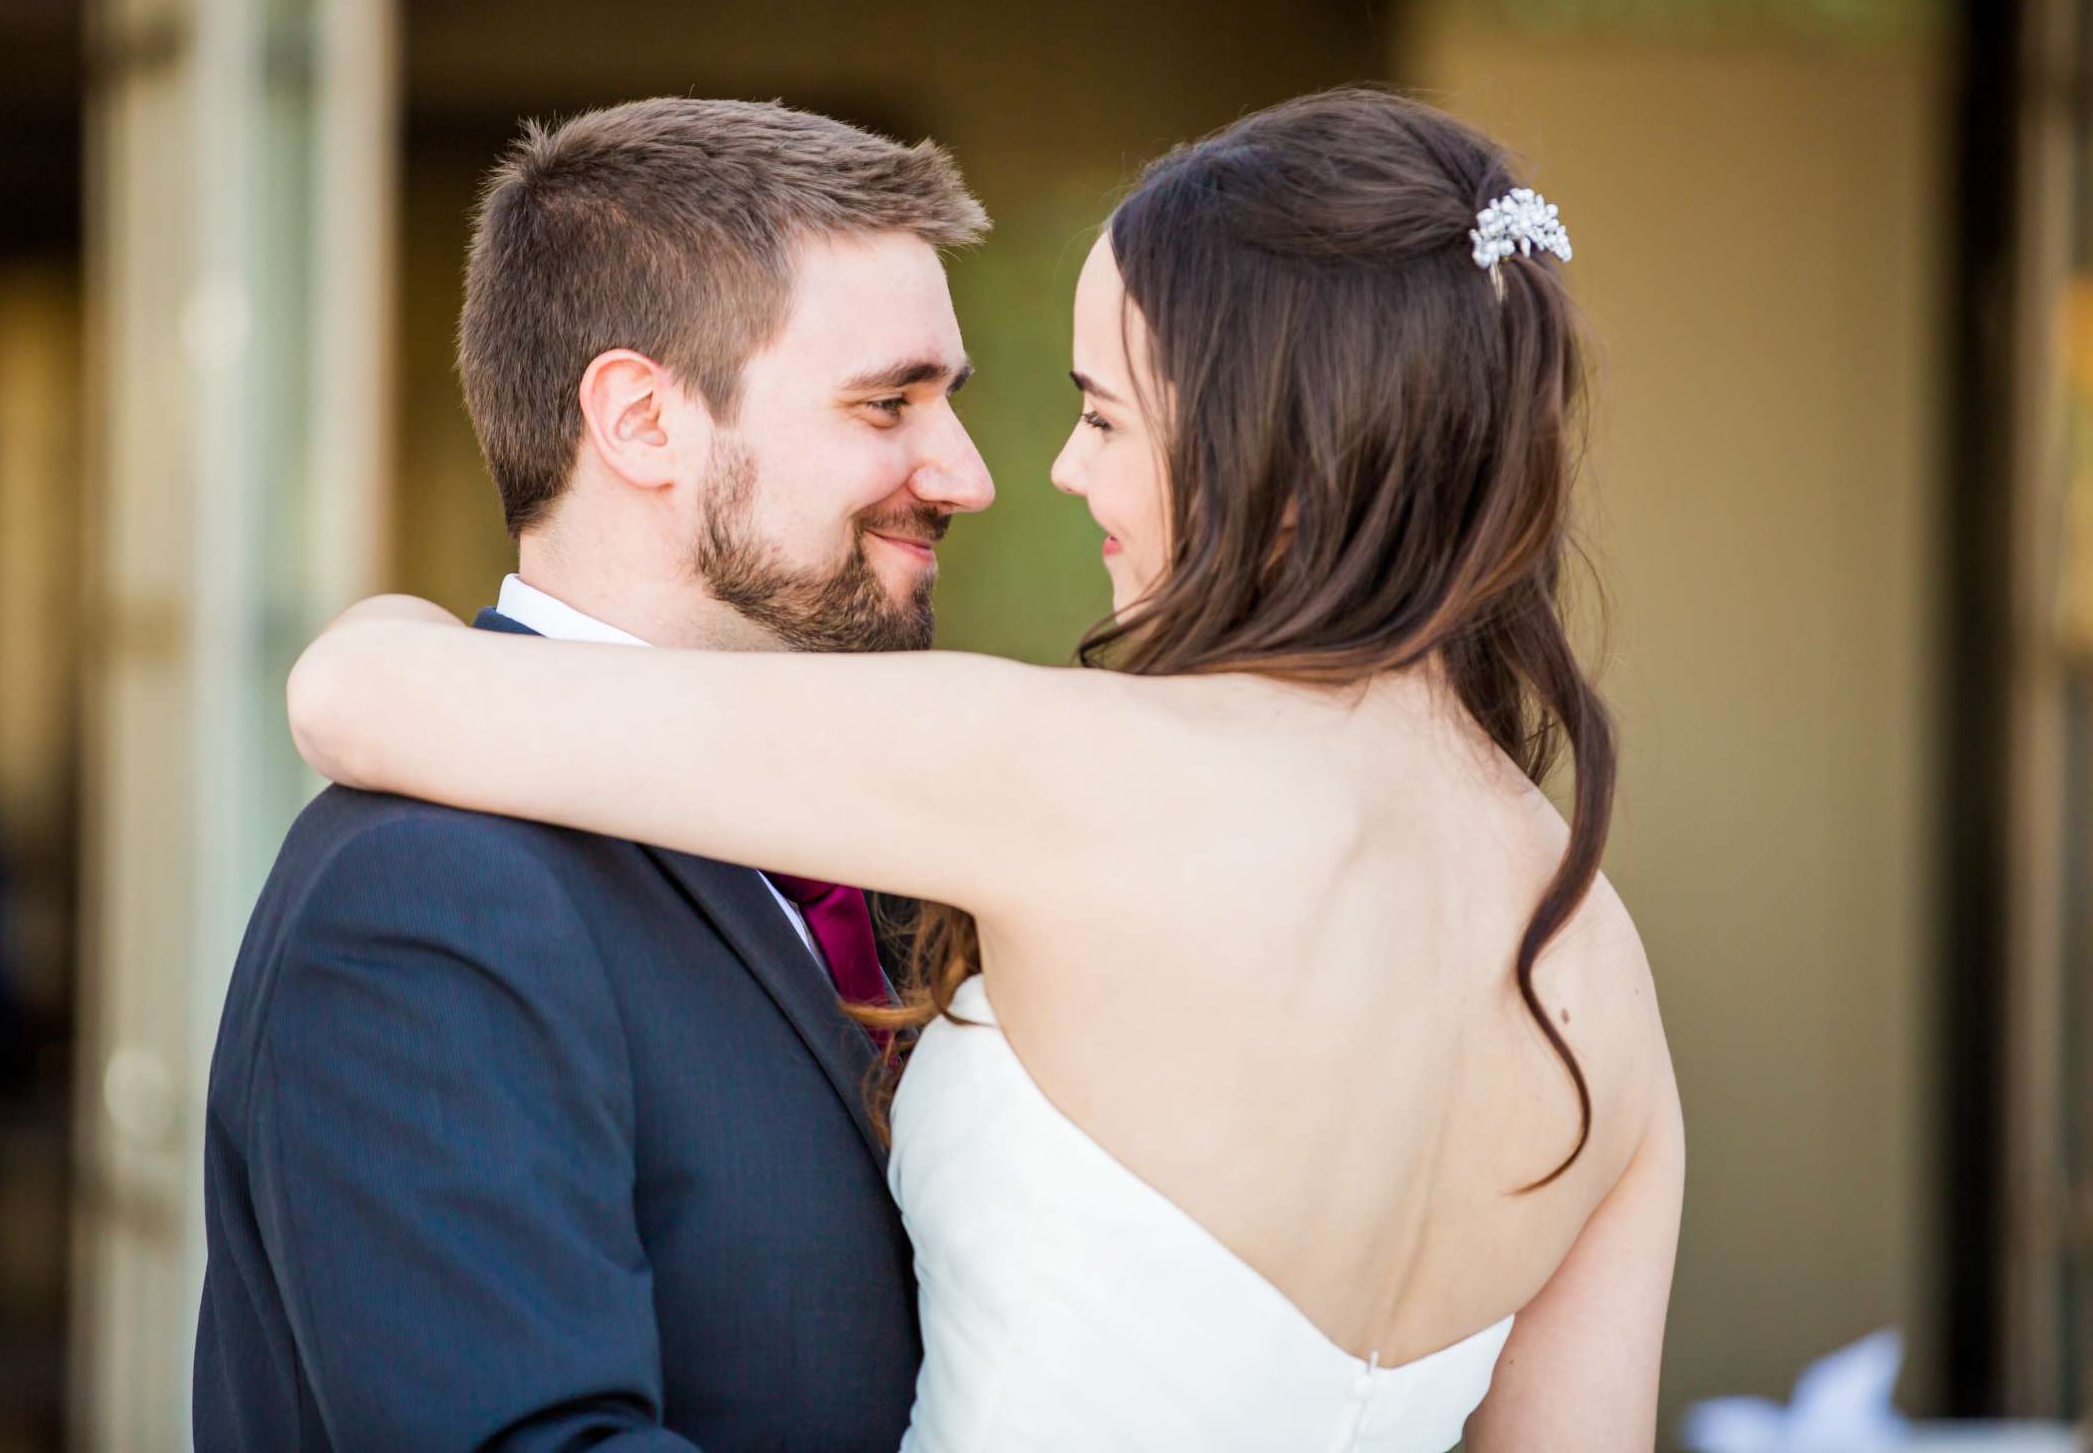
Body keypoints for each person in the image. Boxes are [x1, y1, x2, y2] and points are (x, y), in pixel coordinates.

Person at [285, 89, 1686, 1452]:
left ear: (1276, 459)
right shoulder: (1599, 964)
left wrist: (390, 622)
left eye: (1106, 415)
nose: (1044, 475)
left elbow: (355, 698)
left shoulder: (1063, 777)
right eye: (891, 401)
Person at [193, 97, 997, 1451]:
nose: (963, 473)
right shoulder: (424, 897)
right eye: (886, 404)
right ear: (640, 421)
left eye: (945, 402)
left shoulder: (903, 823)